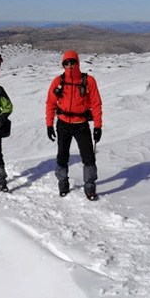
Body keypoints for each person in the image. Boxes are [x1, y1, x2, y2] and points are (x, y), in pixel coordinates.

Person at [45, 50, 103, 200]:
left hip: (81, 124)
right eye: (67, 63)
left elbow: (96, 104)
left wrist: (98, 126)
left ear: (78, 63)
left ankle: (90, 186)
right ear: (63, 64)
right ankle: (63, 183)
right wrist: (49, 124)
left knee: (88, 157)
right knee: (62, 156)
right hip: (63, 124)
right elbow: (50, 103)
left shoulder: (88, 81)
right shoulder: (58, 81)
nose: (70, 65)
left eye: (72, 62)